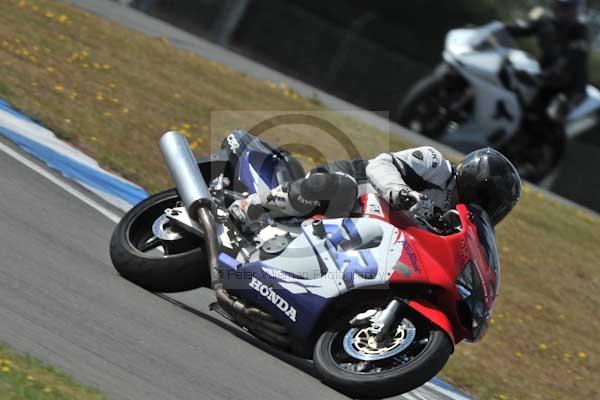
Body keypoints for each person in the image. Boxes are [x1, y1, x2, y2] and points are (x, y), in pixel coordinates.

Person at [230, 146, 521, 228]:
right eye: (488, 200)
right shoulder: (435, 164)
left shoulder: (455, 219)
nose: (486, 209)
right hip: (355, 188)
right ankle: (253, 206)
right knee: (341, 188)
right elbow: (380, 164)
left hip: (368, 230)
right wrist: (400, 191)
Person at [506, 0, 590, 118]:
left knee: (547, 117)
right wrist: (500, 28)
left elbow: (573, 56)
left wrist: (551, 72)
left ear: (576, 10)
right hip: (544, 77)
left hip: (567, 88)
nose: (565, 11)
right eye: (561, 6)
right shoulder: (546, 22)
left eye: (569, 8)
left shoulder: (580, 31)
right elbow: (523, 28)